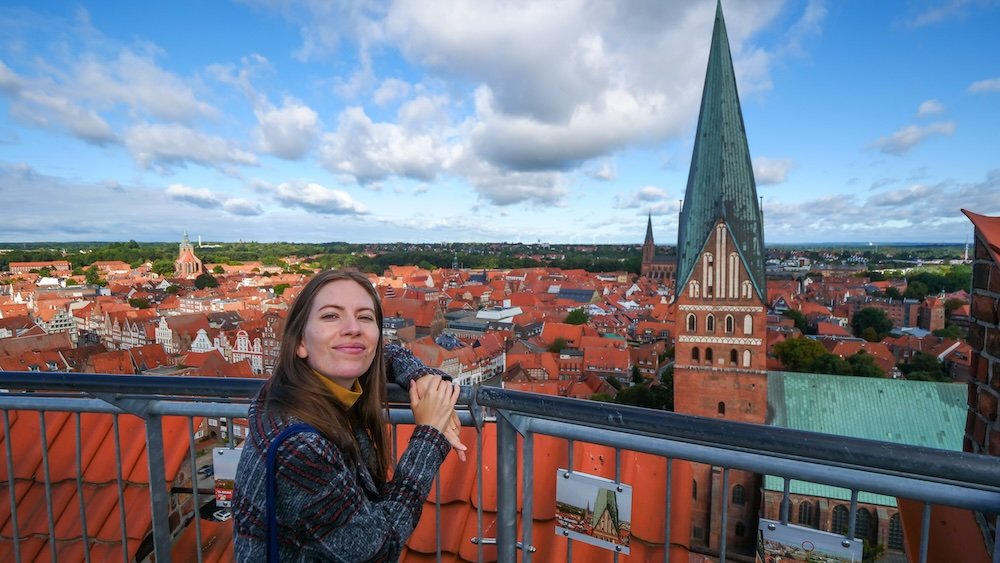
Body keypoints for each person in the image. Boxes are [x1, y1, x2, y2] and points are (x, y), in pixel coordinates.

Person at [233, 270, 465, 561]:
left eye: (365, 317)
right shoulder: (301, 448)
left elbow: (386, 353)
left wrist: (420, 377)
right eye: (331, 316)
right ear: (300, 343)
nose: (353, 328)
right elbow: (378, 550)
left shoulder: (294, 392)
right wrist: (430, 433)